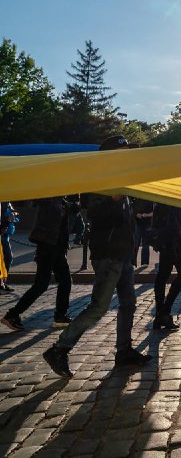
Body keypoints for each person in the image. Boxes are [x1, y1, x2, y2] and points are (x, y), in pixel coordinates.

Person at [43, 135, 152, 377]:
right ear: (110, 155)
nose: (127, 155)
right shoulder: (97, 181)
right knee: (98, 307)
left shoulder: (120, 180)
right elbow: (93, 216)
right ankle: (59, 348)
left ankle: (123, 352)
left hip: (122, 254)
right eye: (122, 151)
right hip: (108, 254)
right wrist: (114, 200)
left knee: (128, 304)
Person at [2, 196, 79, 331]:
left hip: (55, 248)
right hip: (49, 247)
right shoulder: (50, 199)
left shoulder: (60, 201)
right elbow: (53, 219)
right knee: (42, 285)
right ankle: (12, 315)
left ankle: (60, 316)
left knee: (62, 282)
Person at [151, 204, 181, 330]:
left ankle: (161, 314)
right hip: (176, 242)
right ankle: (164, 312)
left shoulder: (163, 201)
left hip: (170, 242)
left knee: (163, 275)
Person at [1, 201, 19, 291]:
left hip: (6, 236)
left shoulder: (7, 203)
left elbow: (15, 215)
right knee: (7, 258)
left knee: (7, 259)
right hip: (2, 236)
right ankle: (2, 283)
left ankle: (3, 282)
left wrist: (14, 215)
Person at [132, 199, 154, 267]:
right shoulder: (135, 199)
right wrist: (136, 214)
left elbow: (154, 212)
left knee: (145, 243)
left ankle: (144, 262)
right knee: (136, 243)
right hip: (138, 223)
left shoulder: (150, 200)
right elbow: (132, 209)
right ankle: (133, 262)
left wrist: (145, 215)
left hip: (146, 223)